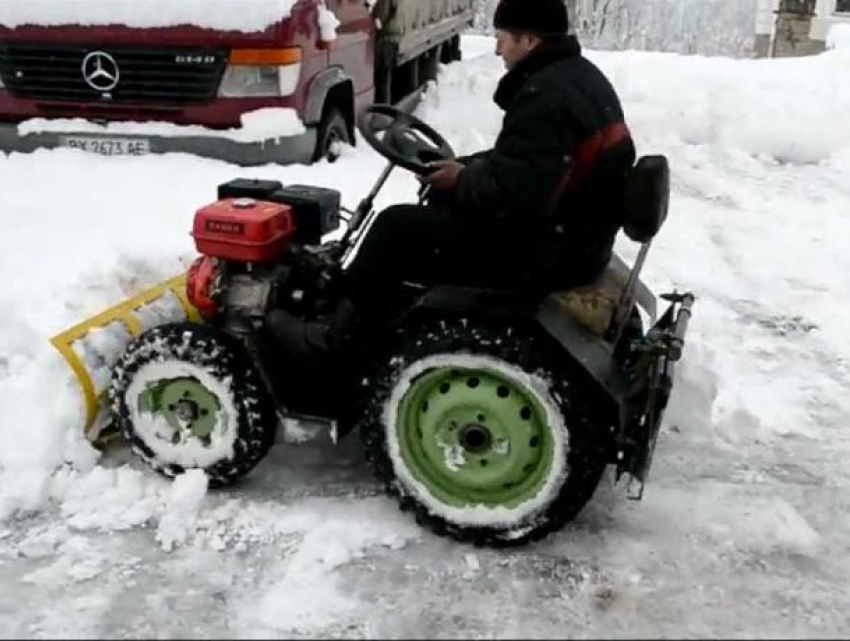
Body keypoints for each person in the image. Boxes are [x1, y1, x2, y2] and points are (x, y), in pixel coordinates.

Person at [266, 0, 636, 372]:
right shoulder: (576, 78)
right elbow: (528, 163)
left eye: (502, 38)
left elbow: (516, 192)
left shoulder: (549, 97)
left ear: (529, 39)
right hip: (571, 237)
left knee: (395, 228)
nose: (496, 48)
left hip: (544, 252)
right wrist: (466, 168)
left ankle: (338, 342)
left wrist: (461, 178)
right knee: (437, 208)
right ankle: (374, 313)